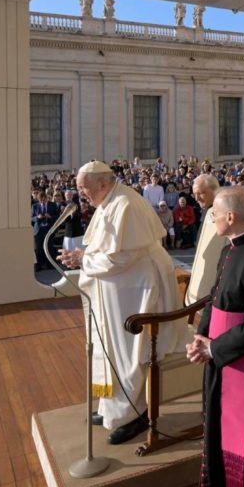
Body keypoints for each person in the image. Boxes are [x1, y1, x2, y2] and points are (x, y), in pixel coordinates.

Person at [57, 160, 187, 445]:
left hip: (137, 291)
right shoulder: (108, 200)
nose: (81, 194)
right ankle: (112, 408)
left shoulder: (125, 203)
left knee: (130, 352)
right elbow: (105, 246)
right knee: (114, 349)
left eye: (84, 188)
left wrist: (84, 259)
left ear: (102, 184)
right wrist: (82, 255)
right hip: (121, 290)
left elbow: (123, 256)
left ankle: (135, 415)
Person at [186, 186, 244, 487]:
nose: (211, 216)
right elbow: (215, 299)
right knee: (216, 424)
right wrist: (202, 338)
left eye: (215, 212)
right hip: (219, 354)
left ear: (230, 216)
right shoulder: (228, 249)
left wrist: (215, 348)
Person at [185, 174, 227, 306]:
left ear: (215, 190)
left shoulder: (226, 211)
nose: (196, 198)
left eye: (201, 193)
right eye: (194, 194)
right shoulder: (208, 209)